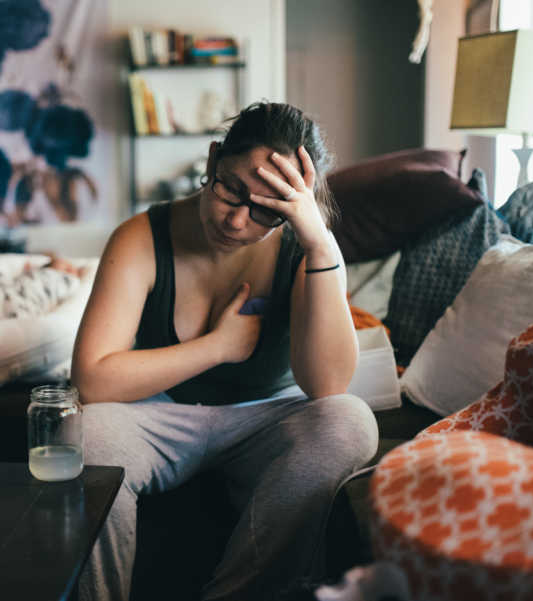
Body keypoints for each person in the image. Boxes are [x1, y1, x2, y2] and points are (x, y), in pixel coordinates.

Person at [70, 102, 379, 601]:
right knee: (82, 432)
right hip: (160, 416)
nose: (237, 221)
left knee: (350, 420)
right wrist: (216, 347)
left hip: (264, 420)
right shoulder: (141, 238)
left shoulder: (306, 248)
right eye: (232, 189)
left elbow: (326, 386)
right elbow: (93, 379)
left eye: (266, 210)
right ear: (214, 160)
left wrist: (321, 248)